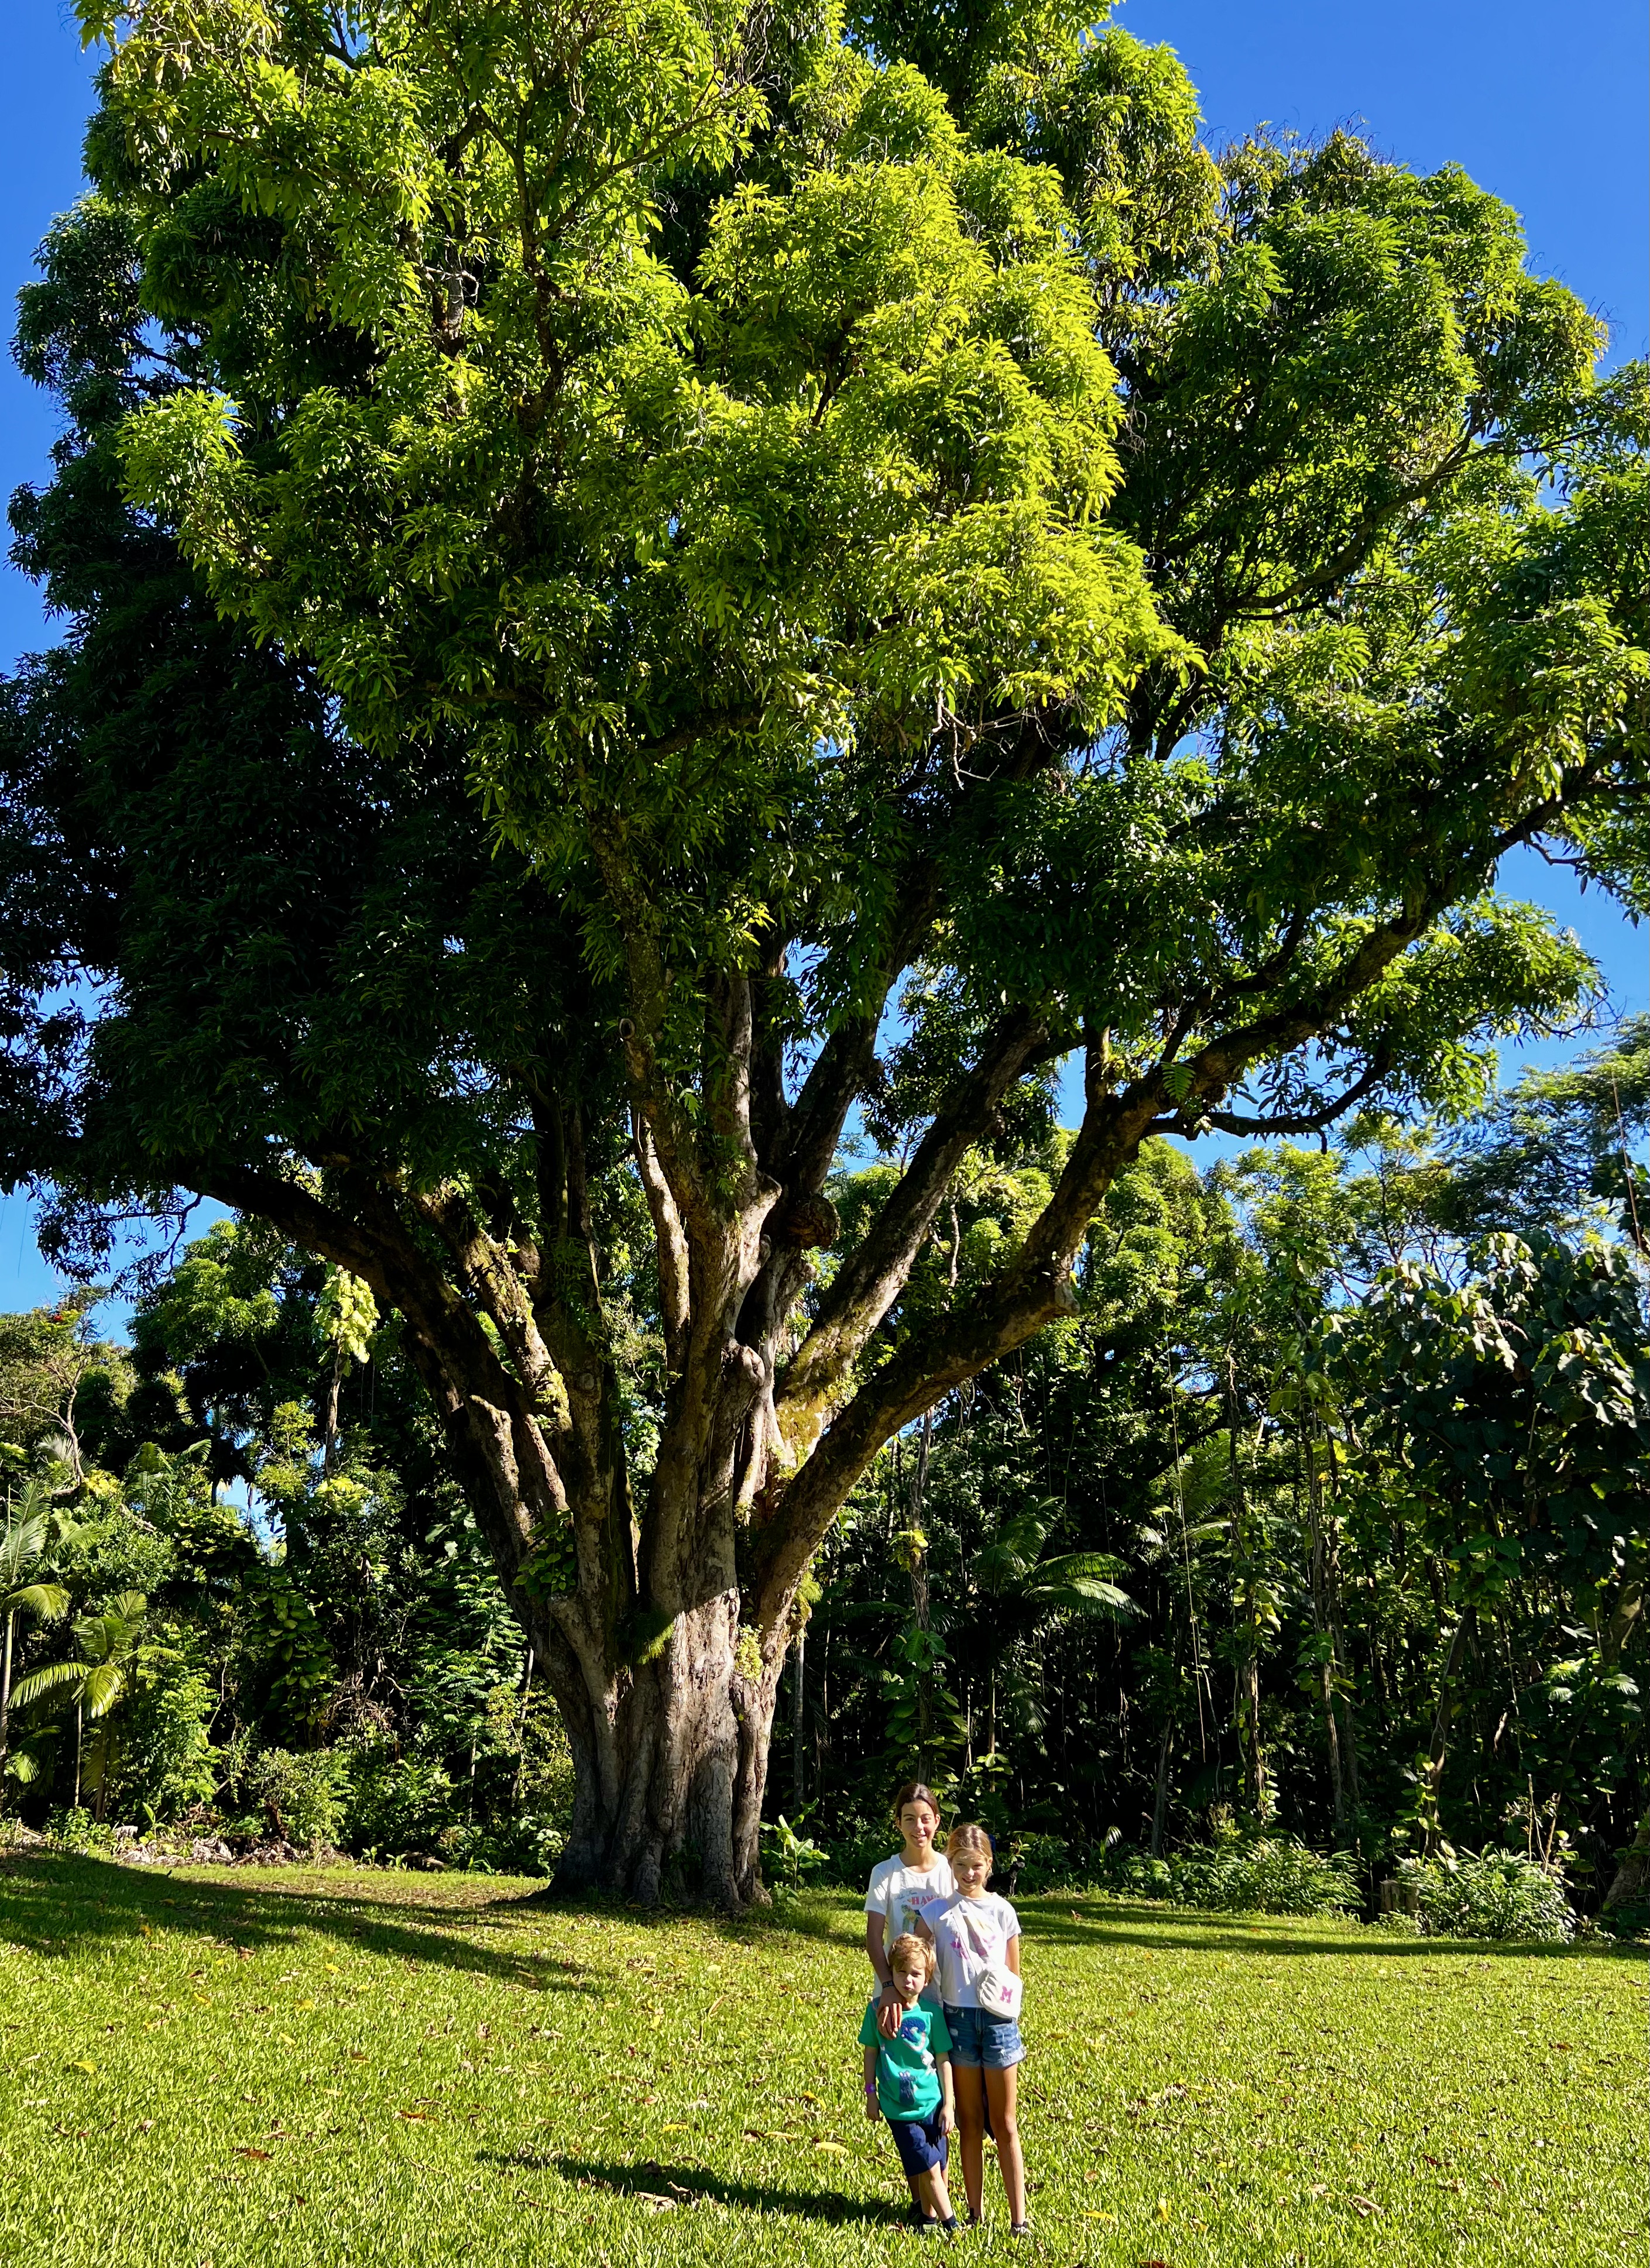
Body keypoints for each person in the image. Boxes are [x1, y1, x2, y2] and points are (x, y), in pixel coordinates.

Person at [917, 1823, 1028, 2236]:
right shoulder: (935, 1912)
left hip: (997, 2022)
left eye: (976, 1866)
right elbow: (915, 1960)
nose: (968, 1873)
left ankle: (1019, 2218)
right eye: (960, 1865)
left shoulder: (1002, 1910)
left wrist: (1003, 2005)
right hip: (957, 2022)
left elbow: (1014, 1975)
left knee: (1004, 2123)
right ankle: (975, 2212)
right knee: (968, 2119)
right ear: (950, 1864)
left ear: (989, 1866)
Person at [859, 1932, 959, 2237]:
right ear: (891, 1974)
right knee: (928, 2168)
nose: (908, 1980)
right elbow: (870, 2052)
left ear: (927, 1979)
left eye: (916, 1974)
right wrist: (871, 2094)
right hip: (898, 2108)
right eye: (900, 1971)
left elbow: (943, 2059)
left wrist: (949, 2105)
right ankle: (951, 2225)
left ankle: (926, 2219)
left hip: (932, 2103)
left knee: (938, 2165)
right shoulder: (877, 2010)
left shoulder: (932, 2015)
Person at [864, 1781, 955, 2041]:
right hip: (899, 1990)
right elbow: (873, 1939)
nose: (919, 1828)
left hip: (945, 1991)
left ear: (937, 1821)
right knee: (900, 2067)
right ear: (898, 1823)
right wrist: (888, 1986)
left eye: (926, 1819)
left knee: (942, 2068)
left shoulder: (951, 1871)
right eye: (910, 1819)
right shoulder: (885, 1873)